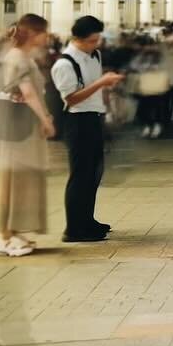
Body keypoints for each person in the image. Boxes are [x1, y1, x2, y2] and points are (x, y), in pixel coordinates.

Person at [51, 15, 124, 243]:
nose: (96, 44)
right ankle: (73, 228)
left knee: (94, 172)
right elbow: (71, 98)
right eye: (92, 40)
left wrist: (108, 106)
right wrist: (101, 83)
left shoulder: (95, 55)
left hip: (94, 117)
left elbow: (95, 89)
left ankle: (87, 220)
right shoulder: (64, 63)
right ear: (78, 39)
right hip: (77, 121)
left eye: (97, 40)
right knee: (80, 174)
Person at [0, 14, 57, 256]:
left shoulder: (21, 56)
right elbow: (29, 92)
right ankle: (2, 235)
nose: (47, 36)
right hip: (14, 129)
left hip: (20, 127)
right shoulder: (16, 58)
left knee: (18, 181)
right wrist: (46, 120)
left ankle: (12, 231)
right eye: (44, 32)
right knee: (7, 181)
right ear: (33, 33)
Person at [131, 38, 171, 139]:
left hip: (157, 86)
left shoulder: (160, 57)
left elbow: (166, 67)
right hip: (146, 86)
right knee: (145, 107)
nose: (150, 48)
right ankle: (148, 125)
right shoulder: (142, 56)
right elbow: (134, 65)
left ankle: (156, 125)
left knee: (157, 107)